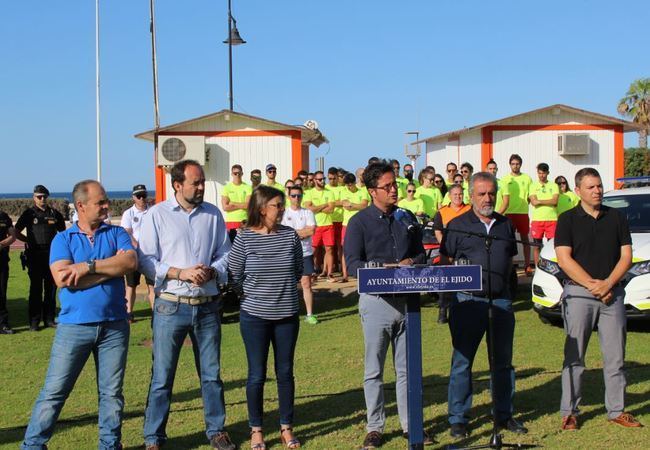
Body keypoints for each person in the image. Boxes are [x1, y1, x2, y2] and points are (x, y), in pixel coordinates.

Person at [21, 180, 137, 450]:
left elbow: (130, 262)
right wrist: (110, 269)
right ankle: (33, 445)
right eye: (101, 202)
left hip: (114, 326)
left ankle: (110, 445)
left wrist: (86, 267)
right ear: (81, 206)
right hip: (74, 327)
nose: (108, 206)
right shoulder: (63, 238)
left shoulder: (116, 233)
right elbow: (63, 278)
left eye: (107, 200)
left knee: (112, 395)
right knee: (54, 393)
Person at [138, 160, 235, 450]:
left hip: (207, 306)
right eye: (196, 182)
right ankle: (154, 438)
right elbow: (145, 259)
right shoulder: (156, 215)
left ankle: (216, 431)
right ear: (177, 184)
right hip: (170, 305)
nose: (202, 186)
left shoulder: (213, 214)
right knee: (162, 378)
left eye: (203, 181)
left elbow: (225, 253)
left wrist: (213, 270)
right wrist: (180, 272)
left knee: (211, 375)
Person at [344, 160, 433, 448]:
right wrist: (380, 267)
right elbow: (352, 264)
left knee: (407, 370)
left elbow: (422, 253)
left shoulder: (406, 217)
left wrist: (411, 261)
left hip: (409, 302)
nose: (394, 189)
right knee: (374, 369)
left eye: (395, 184)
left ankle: (411, 426)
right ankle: (375, 427)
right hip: (376, 302)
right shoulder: (358, 222)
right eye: (388, 186)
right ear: (373, 191)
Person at [440, 172, 527, 439]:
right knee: (463, 362)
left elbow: (510, 260)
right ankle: (458, 419)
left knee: (502, 362)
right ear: (470, 195)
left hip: (500, 301)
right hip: (467, 302)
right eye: (481, 194)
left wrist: (509, 295)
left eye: (491, 193)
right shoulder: (457, 225)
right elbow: (446, 261)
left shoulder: (504, 225)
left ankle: (503, 415)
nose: (487, 198)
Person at [555, 168, 641, 431]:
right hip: (580, 294)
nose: (598, 191)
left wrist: (608, 284)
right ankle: (569, 411)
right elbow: (564, 258)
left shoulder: (616, 217)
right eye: (591, 187)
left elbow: (626, 256)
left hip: (612, 295)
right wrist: (593, 285)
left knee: (615, 357)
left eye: (600, 186)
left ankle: (616, 410)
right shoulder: (567, 219)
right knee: (575, 357)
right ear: (578, 190)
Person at [228, 185, 303, 450]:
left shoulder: (290, 236)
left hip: (287, 315)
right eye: (277, 205)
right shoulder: (244, 237)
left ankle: (286, 427)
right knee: (256, 375)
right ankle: (257, 430)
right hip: (254, 316)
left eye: (283, 204)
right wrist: (251, 296)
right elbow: (234, 274)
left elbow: (297, 270)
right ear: (262, 209)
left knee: (285, 373)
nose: (282, 209)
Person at [14, 185, 66, 331]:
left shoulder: (54, 214)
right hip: (34, 255)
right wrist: (28, 241)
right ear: (34, 197)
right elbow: (16, 232)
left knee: (51, 288)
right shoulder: (29, 214)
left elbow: (63, 234)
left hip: (51, 256)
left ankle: (49, 319)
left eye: (44, 196)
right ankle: (34, 322)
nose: (42, 199)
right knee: (35, 289)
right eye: (39, 197)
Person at [432, 184, 471, 324]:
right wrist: (446, 246)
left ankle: (467, 310)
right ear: (449, 196)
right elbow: (437, 230)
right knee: (446, 280)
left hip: (466, 251)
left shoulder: (470, 209)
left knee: (466, 280)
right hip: (447, 251)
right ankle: (443, 311)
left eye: (460, 194)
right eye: (455, 194)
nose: (458, 197)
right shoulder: (442, 212)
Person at [281, 185, 319, 324]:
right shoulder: (283, 214)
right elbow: (283, 233)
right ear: (288, 197)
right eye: (293, 196)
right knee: (288, 284)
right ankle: (288, 314)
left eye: (299, 195)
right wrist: (300, 232)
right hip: (288, 253)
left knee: (306, 284)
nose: (296, 198)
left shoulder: (308, 213)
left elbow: (311, 231)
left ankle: (309, 314)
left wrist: (294, 233)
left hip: (305, 253)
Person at [120, 184, 155, 317]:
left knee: (152, 285)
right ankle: (129, 313)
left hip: (150, 254)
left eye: (144, 196)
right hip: (134, 254)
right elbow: (127, 232)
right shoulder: (128, 213)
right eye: (139, 196)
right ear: (133, 197)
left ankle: (155, 313)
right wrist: (137, 246)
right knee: (131, 285)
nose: (141, 199)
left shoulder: (153, 211)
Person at [502, 154, 534, 275]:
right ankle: (510, 266)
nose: (515, 166)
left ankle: (527, 266)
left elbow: (531, 195)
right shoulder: (505, 179)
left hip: (522, 212)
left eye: (517, 164)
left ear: (521, 164)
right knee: (509, 241)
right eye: (513, 164)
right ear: (510, 165)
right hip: (508, 213)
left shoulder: (527, 178)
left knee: (525, 240)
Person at [303, 171, 336, 281]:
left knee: (329, 249)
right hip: (315, 225)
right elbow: (309, 208)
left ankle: (329, 274)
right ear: (315, 180)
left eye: (323, 179)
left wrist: (316, 207)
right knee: (313, 250)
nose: (322, 181)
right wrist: (324, 205)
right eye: (320, 179)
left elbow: (331, 209)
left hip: (328, 224)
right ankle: (311, 272)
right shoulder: (309, 193)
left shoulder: (329, 192)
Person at [339, 173, 369, 282]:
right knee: (345, 249)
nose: (349, 187)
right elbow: (346, 206)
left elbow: (364, 205)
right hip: (346, 224)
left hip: (361, 223)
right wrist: (356, 205)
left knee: (363, 248)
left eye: (350, 185)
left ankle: (361, 273)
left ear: (354, 182)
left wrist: (352, 205)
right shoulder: (343, 191)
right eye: (347, 185)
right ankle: (345, 274)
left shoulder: (363, 191)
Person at [529, 163, 559, 268]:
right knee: (537, 245)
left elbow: (555, 201)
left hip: (552, 219)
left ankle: (553, 267)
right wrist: (548, 201)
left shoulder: (554, 185)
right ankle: (538, 267)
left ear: (548, 173)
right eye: (540, 173)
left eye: (544, 173)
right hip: (537, 220)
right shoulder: (533, 186)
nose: (542, 175)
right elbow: (533, 202)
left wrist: (540, 201)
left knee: (553, 246)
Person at [221, 164, 252, 235]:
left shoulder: (248, 187)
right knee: (231, 245)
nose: (237, 175)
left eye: (239, 173)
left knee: (245, 245)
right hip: (231, 222)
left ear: (242, 174)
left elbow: (248, 205)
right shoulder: (226, 188)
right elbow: (225, 207)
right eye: (235, 173)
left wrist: (232, 203)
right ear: (232, 174)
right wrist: (242, 205)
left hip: (244, 221)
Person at [0, 208, 16, 334]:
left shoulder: (4, 217)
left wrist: (1, 244)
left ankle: (3, 324)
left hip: (2, 261)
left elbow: (13, 236)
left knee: (1, 293)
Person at [327, 167, 344, 275]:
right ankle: (331, 268)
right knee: (329, 247)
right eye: (330, 178)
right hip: (329, 220)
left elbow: (343, 202)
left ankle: (342, 267)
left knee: (340, 245)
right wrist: (336, 202)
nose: (332, 180)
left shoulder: (342, 189)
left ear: (337, 178)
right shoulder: (325, 188)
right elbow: (338, 202)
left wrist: (332, 203)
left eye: (334, 178)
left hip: (341, 220)